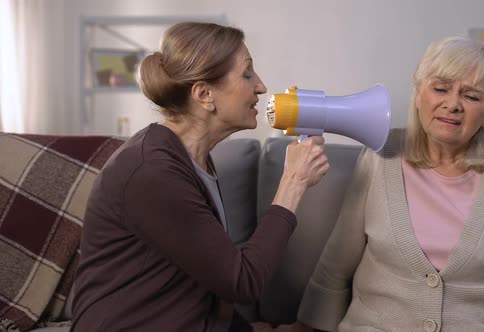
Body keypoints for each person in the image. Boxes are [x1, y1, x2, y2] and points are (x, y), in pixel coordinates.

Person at [291, 36, 484, 331]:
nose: (453, 104)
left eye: (471, 96)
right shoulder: (381, 154)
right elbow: (336, 264)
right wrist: (305, 327)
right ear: (419, 94)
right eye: (441, 89)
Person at [71, 22, 329, 332]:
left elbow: (202, 278)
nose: (261, 86)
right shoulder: (152, 173)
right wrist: (294, 182)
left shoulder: (191, 159)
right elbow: (242, 282)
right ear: (205, 94)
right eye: (247, 73)